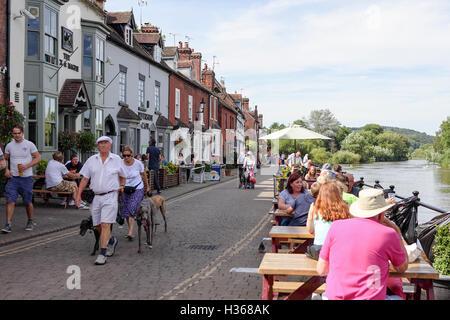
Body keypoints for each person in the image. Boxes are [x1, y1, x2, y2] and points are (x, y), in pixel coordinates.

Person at [317, 188, 408, 300]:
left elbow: (322, 270)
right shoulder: (388, 234)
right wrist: (397, 231)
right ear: (381, 213)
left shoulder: (336, 226)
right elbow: (402, 268)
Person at [75, 136, 127, 265]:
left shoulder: (116, 160)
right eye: (100, 143)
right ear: (98, 146)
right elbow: (85, 179)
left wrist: (121, 186)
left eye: (105, 143)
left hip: (110, 196)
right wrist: (78, 195)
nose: (103, 145)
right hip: (96, 197)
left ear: (110, 145)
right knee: (97, 225)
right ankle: (111, 241)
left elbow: (123, 177)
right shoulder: (92, 160)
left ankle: (102, 254)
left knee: (105, 224)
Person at [1, 125, 41, 233]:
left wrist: (27, 166)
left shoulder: (29, 144)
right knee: (10, 200)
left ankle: (30, 220)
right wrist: (6, 170)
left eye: (18, 133)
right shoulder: (9, 146)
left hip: (26, 178)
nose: (17, 135)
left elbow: (38, 158)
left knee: (27, 202)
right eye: (15, 133)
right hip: (13, 178)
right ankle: (8, 224)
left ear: (22, 133)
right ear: (12, 134)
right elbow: (4, 159)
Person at [120, 146, 150, 240]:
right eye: (124, 155)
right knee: (126, 210)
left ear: (132, 154)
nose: (126, 157)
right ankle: (131, 230)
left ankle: (131, 231)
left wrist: (147, 186)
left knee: (132, 207)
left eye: (128, 155)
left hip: (137, 188)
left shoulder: (138, 163)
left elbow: (144, 174)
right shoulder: (120, 163)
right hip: (125, 188)